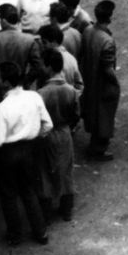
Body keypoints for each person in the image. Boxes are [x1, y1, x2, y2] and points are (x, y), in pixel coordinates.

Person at [0, 61, 53, 246]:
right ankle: (40, 232)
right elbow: (48, 124)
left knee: (8, 194)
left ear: (6, 82)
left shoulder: (3, 107)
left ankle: (15, 234)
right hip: (30, 150)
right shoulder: (33, 96)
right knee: (29, 190)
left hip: (8, 153)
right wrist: (35, 136)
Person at [37, 49, 80, 223]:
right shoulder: (70, 90)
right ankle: (66, 209)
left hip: (45, 135)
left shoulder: (40, 93)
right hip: (64, 133)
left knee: (44, 172)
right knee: (66, 171)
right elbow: (76, 114)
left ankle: (46, 213)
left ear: (48, 67)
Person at [80, 0, 120, 161]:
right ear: (109, 17)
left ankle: (94, 144)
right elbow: (108, 68)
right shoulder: (107, 40)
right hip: (103, 83)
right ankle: (98, 149)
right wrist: (116, 83)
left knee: (94, 112)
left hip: (89, 78)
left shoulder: (88, 30)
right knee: (105, 115)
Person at [0, 3, 42, 104]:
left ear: (3, 21)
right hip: (20, 88)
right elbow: (37, 66)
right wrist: (26, 81)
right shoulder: (29, 40)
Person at [38, 24, 84, 96]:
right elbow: (79, 86)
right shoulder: (71, 58)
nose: (42, 46)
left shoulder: (50, 60)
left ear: (54, 42)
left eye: (44, 42)